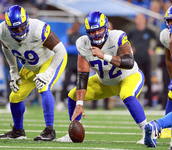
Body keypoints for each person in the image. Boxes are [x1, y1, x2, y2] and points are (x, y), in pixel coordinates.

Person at [56, 11, 147, 144]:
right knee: (73, 95)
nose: (96, 34)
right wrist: (80, 104)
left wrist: (104, 56)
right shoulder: (83, 43)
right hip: (105, 81)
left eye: (98, 30)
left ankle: (147, 132)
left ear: (105, 28)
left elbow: (129, 62)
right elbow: (82, 74)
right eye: (92, 32)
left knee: (127, 95)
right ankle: (72, 134)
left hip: (129, 76)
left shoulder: (117, 36)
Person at [0, 5, 67, 141]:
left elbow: (61, 50)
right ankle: (18, 131)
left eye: (22, 27)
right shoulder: (3, 31)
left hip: (50, 60)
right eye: (15, 28)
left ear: (27, 21)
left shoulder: (38, 29)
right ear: (8, 27)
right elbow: (5, 47)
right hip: (30, 65)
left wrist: (49, 71)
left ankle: (49, 131)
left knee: (44, 86)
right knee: (15, 97)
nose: (19, 30)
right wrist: (13, 71)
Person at [128, 13, 157, 107]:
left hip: (146, 60)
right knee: (134, 82)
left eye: (141, 18)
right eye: (138, 18)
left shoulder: (149, 31)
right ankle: (134, 103)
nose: (139, 20)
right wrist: (130, 48)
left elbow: (158, 40)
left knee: (148, 81)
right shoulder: (132, 32)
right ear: (135, 20)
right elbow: (124, 42)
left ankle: (150, 103)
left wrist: (153, 49)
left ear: (145, 20)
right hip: (135, 61)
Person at [153, 6, 172, 139]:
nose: (171, 24)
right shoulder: (165, 35)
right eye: (170, 21)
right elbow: (169, 60)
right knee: (171, 93)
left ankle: (158, 125)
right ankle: (167, 128)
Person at [57, 20, 81, 111]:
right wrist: (74, 48)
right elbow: (64, 48)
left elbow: (81, 49)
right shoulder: (68, 36)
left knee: (78, 84)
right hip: (69, 63)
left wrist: (72, 47)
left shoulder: (80, 37)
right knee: (66, 83)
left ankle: (76, 103)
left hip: (78, 63)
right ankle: (61, 102)